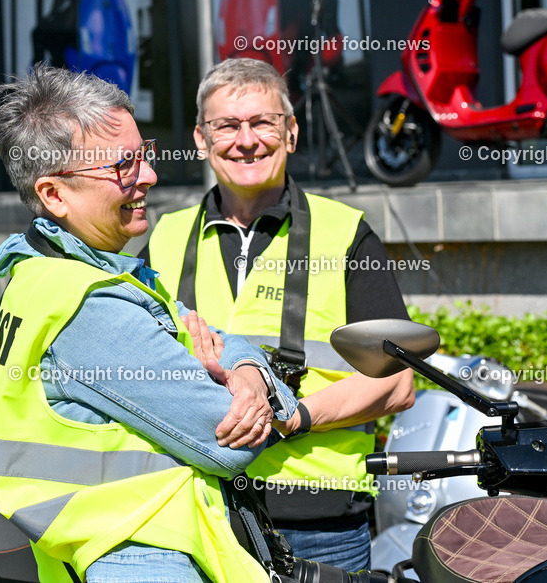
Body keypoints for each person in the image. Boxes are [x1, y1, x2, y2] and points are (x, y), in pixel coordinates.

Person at [0, 65, 298, 583]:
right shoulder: (87, 304)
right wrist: (246, 385)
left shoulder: (73, 273)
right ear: (54, 194)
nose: (148, 175)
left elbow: (221, 340)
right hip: (144, 558)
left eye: (143, 153)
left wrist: (245, 372)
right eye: (122, 165)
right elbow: (228, 437)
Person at [143, 58, 415, 571]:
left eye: (262, 122)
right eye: (227, 125)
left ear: (290, 132)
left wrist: (293, 417)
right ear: (201, 140)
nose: (246, 140)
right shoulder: (163, 236)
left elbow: (398, 382)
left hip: (319, 519)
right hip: (194, 511)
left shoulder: (347, 232)